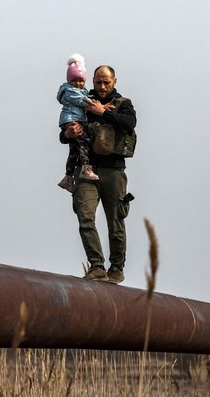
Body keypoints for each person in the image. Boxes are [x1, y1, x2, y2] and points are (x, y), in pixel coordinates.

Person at [60, 65, 136, 284]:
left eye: (106, 82)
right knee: (85, 216)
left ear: (114, 82)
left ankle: (116, 269)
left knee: (116, 221)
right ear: (92, 81)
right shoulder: (82, 99)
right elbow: (65, 130)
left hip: (114, 171)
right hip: (86, 168)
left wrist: (104, 112)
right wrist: (67, 133)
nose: (102, 87)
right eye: (98, 82)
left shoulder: (123, 104)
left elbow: (130, 124)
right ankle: (96, 266)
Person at [57, 54, 98, 193]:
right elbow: (81, 101)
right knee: (84, 142)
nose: (78, 83)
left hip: (72, 119)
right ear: (69, 80)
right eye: (75, 80)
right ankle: (86, 168)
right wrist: (98, 107)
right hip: (71, 120)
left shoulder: (80, 90)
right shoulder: (70, 91)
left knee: (74, 150)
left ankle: (68, 178)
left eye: (81, 80)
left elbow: (85, 97)